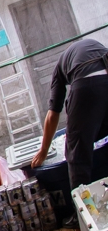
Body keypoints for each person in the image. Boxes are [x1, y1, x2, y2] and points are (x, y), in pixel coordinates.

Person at [31, 37, 108, 189]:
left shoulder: (60, 67)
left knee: (77, 153)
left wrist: (44, 150)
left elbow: (53, 114)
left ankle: (83, 201)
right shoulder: (91, 45)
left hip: (86, 83)